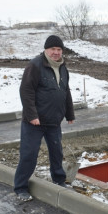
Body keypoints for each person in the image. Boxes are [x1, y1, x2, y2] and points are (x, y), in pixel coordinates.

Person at [13, 35, 75, 201]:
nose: (56, 52)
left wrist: (69, 113)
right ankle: (20, 187)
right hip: (35, 122)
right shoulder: (35, 65)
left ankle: (59, 180)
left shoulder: (62, 67)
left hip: (54, 120)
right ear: (46, 50)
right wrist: (32, 115)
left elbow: (65, 91)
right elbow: (26, 91)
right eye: (53, 49)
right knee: (29, 154)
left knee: (56, 152)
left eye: (59, 49)